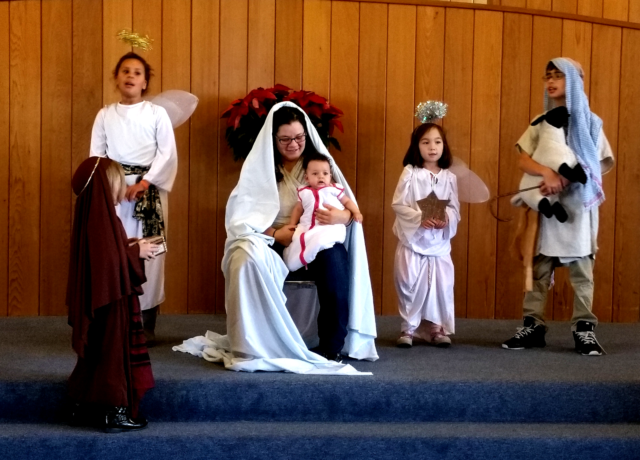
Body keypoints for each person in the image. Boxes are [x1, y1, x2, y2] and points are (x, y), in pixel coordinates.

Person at [174, 102, 377, 374]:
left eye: (299, 137)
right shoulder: (261, 169)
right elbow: (241, 217)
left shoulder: (319, 166)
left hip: (316, 238)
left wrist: (345, 217)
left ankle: (332, 346)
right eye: (285, 139)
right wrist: (273, 233)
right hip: (274, 242)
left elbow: (345, 201)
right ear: (274, 139)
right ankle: (256, 343)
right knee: (243, 256)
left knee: (335, 261)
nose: (293, 144)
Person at [503, 58, 614, 356]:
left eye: (559, 77)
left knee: (582, 273)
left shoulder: (591, 122)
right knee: (538, 268)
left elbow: (599, 163)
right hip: (545, 208)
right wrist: (547, 173)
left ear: (575, 82)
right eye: (548, 76)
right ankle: (533, 326)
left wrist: (564, 178)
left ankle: (584, 330)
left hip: (578, 208)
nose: (551, 82)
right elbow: (523, 159)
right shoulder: (540, 120)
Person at [89, 52, 178, 346]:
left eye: (137, 73)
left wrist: (145, 182)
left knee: (150, 253)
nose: (130, 76)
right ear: (116, 78)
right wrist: (109, 185)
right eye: (125, 71)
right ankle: (115, 320)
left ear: (145, 82)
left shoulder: (156, 114)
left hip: (149, 191)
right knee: (116, 251)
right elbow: (97, 155)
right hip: (114, 191)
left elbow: (166, 153)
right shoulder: (105, 114)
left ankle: (146, 324)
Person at [67, 157, 158, 432]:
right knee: (111, 353)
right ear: (107, 186)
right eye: (118, 183)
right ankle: (113, 411)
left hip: (105, 298)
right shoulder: (101, 218)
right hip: (110, 303)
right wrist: (135, 252)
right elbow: (107, 263)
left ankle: (84, 405)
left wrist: (130, 246)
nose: (123, 190)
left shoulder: (97, 216)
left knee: (97, 354)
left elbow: (107, 255)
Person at [391, 123, 460, 349]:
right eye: (426, 142)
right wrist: (419, 218)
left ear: (444, 145)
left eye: (437, 142)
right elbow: (399, 204)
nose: (432, 147)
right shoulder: (410, 173)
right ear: (416, 145)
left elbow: (454, 207)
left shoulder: (450, 177)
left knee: (440, 285)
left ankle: (435, 327)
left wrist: (447, 218)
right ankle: (408, 327)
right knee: (409, 282)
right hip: (414, 240)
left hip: (438, 242)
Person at [283, 151, 363, 272]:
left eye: (325, 173)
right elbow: (298, 209)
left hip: (328, 227)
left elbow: (347, 202)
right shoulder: (304, 192)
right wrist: (292, 223)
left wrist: (356, 212)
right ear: (307, 178)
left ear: (330, 176)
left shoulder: (334, 189)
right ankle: (303, 258)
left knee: (321, 240)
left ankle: (315, 249)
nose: (321, 176)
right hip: (308, 227)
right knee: (299, 241)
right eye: (315, 173)